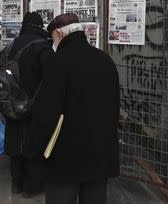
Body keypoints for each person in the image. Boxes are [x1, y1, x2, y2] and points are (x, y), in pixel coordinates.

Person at [30, 13, 120, 204]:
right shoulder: (106, 61)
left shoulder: (57, 62)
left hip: (65, 158)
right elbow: (114, 108)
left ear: (59, 34)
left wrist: (37, 149)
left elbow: (47, 114)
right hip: (99, 153)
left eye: (52, 37)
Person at [1, 12, 54, 198]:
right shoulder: (44, 48)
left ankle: (16, 183)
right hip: (35, 105)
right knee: (34, 143)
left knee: (16, 143)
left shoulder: (8, 47)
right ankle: (31, 188)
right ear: (40, 27)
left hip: (12, 104)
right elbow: (51, 79)